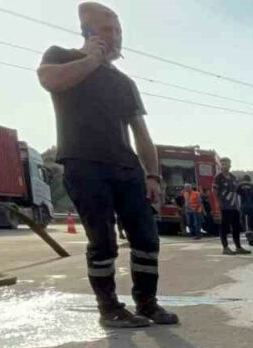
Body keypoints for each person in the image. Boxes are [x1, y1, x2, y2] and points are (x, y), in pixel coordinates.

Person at [38, 2, 177, 328]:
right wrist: (92, 59)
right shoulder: (61, 56)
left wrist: (153, 174)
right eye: (107, 30)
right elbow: (49, 81)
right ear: (87, 32)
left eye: (118, 31)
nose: (115, 37)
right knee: (103, 241)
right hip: (84, 164)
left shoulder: (124, 83)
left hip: (127, 168)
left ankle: (147, 304)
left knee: (146, 239)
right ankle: (109, 308)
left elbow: (141, 133)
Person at [213, 157, 249, 255]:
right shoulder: (218, 177)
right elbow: (214, 192)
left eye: (226, 164)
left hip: (234, 207)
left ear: (230, 165)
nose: (224, 166)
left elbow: (237, 191)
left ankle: (238, 247)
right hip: (224, 207)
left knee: (236, 227)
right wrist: (217, 205)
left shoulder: (233, 177)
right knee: (224, 227)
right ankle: (225, 247)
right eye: (222, 164)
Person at [237, 173, 253, 245]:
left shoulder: (239, 186)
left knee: (246, 223)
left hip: (244, 207)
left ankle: (250, 239)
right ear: (250, 180)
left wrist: (238, 207)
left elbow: (237, 197)